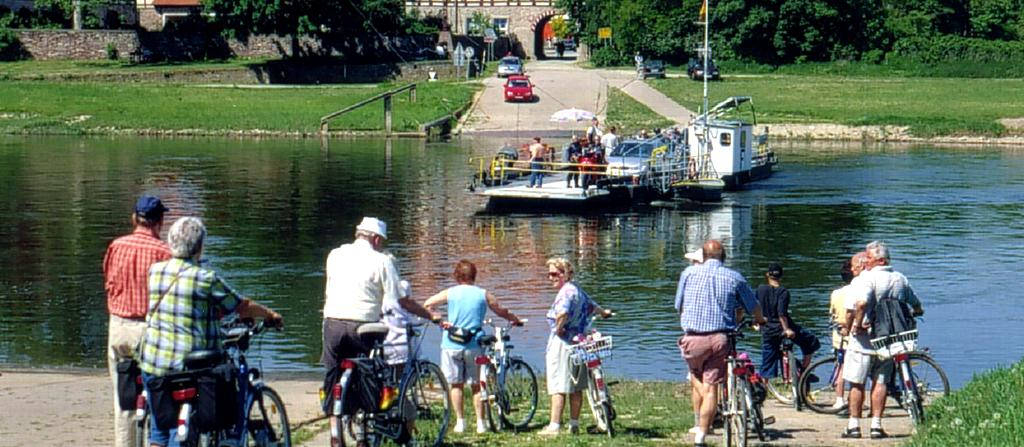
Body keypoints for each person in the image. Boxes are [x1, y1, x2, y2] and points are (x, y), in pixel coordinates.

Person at [137, 217, 283, 447]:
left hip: (155, 362)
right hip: (191, 367)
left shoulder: (155, 272)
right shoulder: (205, 278)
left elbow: (180, 307)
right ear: (199, 247)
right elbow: (241, 305)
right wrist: (270, 315)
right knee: (198, 411)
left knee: (160, 429)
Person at [321, 217, 439, 418]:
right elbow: (401, 301)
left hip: (332, 322)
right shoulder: (382, 261)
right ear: (376, 239)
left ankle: (334, 421)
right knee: (371, 371)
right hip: (362, 325)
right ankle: (369, 416)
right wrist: (430, 314)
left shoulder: (335, 255)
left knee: (333, 373)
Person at [675, 240, 764, 447]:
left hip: (693, 337)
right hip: (720, 338)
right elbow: (753, 306)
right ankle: (701, 437)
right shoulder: (734, 277)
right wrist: (761, 320)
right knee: (712, 387)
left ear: (703, 256)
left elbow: (678, 305)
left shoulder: (687, 274)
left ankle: (699, 425)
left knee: (697, 377)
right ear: (724, 257)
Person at [103, 195, 172, 447]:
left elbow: (109, 284)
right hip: (150, 329)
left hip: (119, 326)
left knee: (124, 401)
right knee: (162, 395)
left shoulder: (116, 246)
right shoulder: (165, 252)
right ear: (160, 221)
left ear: (134, 218)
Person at [424, 260, 522, 434]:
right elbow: (501, 310)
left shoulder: (450, 292)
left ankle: (460, 422)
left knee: (456, 384)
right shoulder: (483, 294)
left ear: (456, 275)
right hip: (474, 344)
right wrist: (514, 319)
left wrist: (439, 319)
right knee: (477, 385)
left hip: (451, 343)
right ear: (474, 275)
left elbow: (427, 304)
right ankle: (480, 423)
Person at [841, 242, 924, 439]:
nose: (865, 261)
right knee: (881, 382)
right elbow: (915, 302)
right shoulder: (899, 279)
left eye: (869, 258)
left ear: (880, 260)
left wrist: (856, 324)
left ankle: (854, 426)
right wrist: (918, 311)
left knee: (857, 383)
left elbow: (859, 304)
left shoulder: (865, 279)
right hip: (887, 341)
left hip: (863, 341)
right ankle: (876, 425)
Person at [540, 257, 612, 435]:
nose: (551, 278)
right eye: (549, 274)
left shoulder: (565, 293)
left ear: (566, 274)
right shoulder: (577, 290)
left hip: (563, 343)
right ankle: (574, 424)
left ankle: (554, 426)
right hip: (578, 342)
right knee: (576, 386)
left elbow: (563, 312)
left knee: (558, 385)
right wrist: (605, 313)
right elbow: (592, 306)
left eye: (555, 274)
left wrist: (558, 328)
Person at [756, 262, 821, 380]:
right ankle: (804, 372)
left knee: (768, 359)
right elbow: (782, 313)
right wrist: (787, 329)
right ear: (781, 276)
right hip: (782, 327)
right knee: (810, 341)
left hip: (767, 328)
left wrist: (756, 323)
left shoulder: (760, 289)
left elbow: (756, 307)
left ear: (767, 275)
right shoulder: (783, 292)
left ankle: (763, 386)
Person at [827, 259, 855, 410]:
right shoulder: (858, 292)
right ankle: (854, 397)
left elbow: (831, 313)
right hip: (854, 334)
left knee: (840, 365)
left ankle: (839, 398)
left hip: (838, 335)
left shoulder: (836, 293)